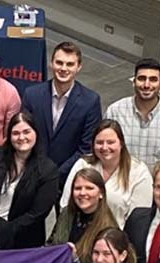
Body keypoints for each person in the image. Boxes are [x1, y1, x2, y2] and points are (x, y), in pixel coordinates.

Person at [20, 41, 101, 186]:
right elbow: (24, 135)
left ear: (79, 67)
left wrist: (55, 174)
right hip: (32, 174)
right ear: (51, 64)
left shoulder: (90, 101)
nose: (64, 68)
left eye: (70, 64)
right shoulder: (32, 95)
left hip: (69, 178)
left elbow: (86, 147)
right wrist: (38, 169)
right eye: (59, 63)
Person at [0, 111, 59, 249]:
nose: (21, 137)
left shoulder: (48, 170)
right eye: (16, 133)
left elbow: (37, 213)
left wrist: (5, 230)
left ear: (35, 133)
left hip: (25, 241)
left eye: (26, 132)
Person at [59, 119, 153, 227]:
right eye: (99, 142)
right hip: (80, 233)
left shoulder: (139, 172)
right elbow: (66, 205)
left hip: (119, 238)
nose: (104, 147)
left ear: (121, 143)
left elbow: (139, 220)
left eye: (110, 142)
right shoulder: (83, 164)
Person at [105, 58, 160, 171]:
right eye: (141, 79)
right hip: (120, 182)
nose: (146, 85)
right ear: (134, 82)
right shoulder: (114, 112)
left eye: (153, 79)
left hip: (156, 186)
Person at [48, 169, 118, 263]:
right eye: (78, 188)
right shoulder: (66, 213)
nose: (82, 193)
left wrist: (75, 259)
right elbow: (51, 244)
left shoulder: (108, 227)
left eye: (89, 188)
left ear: (101, 193)